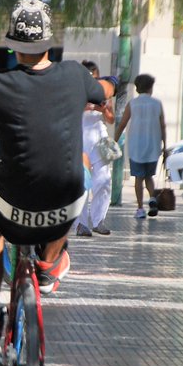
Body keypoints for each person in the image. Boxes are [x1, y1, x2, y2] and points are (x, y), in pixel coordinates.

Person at [0, 0, 118, 351]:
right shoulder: (76, 76)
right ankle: (48, 263)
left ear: (12, 45)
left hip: (12, 211)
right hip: (64, 211)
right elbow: (105, 89)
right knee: (81, 175)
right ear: (49, 42)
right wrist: (114, 82)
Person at [114, 73, 166, 219]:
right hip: (153, 146)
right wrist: (165, 144)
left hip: (136, 147)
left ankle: (140, 209)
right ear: (150, 88)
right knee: (149, 176)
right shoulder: (157, 104)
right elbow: (163, 126)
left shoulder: (133, 104)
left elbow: (122, 124)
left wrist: (114, 141)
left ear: (137, 88)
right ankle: (152, 198)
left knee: (138, 178)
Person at [74, 60, 115, 237]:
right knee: (82, 181)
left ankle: (99, 220)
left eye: (95, 78)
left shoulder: (104, 93)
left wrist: (104, 109)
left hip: (100, 139)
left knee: (104, 179)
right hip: (80, 137)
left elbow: (111, 119)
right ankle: (81, 223)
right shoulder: (75, 91)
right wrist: (88, 106)